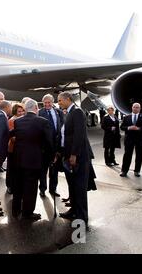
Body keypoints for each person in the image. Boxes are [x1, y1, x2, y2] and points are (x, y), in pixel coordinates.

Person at [11, 99, 53, 220]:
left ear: (26, 109)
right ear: (36, 108)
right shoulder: (43, 122)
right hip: (34, 160)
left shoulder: (17, 121)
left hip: (19, 159)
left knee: (18, 186)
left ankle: (15, 210)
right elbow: (49, 142)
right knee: (30, 187)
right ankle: (27, 213)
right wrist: (50, 157)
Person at [57, 92, 94, 226]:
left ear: (68, 99)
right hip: (69, 156)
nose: (59, 103)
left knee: (79, 187)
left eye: (60, 101)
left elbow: (79, 135)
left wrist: (74, 155)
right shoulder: (69, 112)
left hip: (78, 157)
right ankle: (74, 210)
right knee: (72, 186)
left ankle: (82, 216)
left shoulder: (77, 112)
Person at [38, 94, 64, 198]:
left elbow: (61, 127)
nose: (47, 104)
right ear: (43, 103)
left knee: (54, 170)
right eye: (45, 103)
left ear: (53, 102)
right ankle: (42, 189)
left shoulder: (59, 112)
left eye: (49, 102)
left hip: (56, 146)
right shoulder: (40, 113)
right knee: (43, 170)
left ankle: (53, 189)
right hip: (44, 147)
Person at [120, 103, 142, 177]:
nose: (135, 108)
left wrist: (139, 128)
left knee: (139, 156)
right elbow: (122, 127)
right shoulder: (126, 117)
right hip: (129, 139)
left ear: (140, 109)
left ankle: (137, 171)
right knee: (127, 156)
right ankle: (124, 171)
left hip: (140, 139)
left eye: (137, 107)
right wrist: (128, 128)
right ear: (132, 108)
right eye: (134, 107)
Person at [5, 102, 25, 195]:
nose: (21, 113)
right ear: (14, 111)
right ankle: (9, 186)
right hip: (12, 149)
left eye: (22, 111)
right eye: (19, 111)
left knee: (17, 170)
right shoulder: (11, 120)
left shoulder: (22, 120)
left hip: (19, 149)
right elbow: (12, 138)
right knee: (10, 169)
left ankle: (15, 186)